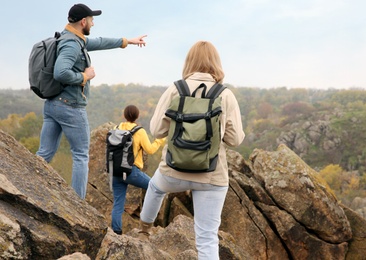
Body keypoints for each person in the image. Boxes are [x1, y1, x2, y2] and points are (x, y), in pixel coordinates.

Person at [138, 41, 245, 259]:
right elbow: (235, 140)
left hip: (173, 171)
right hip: (211, 176)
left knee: (155, 187)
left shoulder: (175, 89)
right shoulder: (225, 95)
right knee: (207, 238)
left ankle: (143, 231)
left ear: (189, 62)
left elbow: (157, 130)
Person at [36, 3, 147, 199]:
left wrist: (128, 41)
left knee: (44, 153)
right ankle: (78, 204)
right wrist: (84, 76)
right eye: (92, 20)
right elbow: (60, 72)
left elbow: (100, 42)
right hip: (70, 107)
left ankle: (26, 186)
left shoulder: (71, 38)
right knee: (80, 155)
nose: (93, 24)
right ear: (83, 21)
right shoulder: (72, 43)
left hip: (52, 105)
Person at [111, 105, 165, 235]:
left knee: (118, 203)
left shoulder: (116, 128)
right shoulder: (139, 131)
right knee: (155, 187)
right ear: (137, 116)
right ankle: (148, 223)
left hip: (116, 171)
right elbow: (150, 150)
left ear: (124, 115)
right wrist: (161, 140)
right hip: (131, 172)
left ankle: (116, 232)